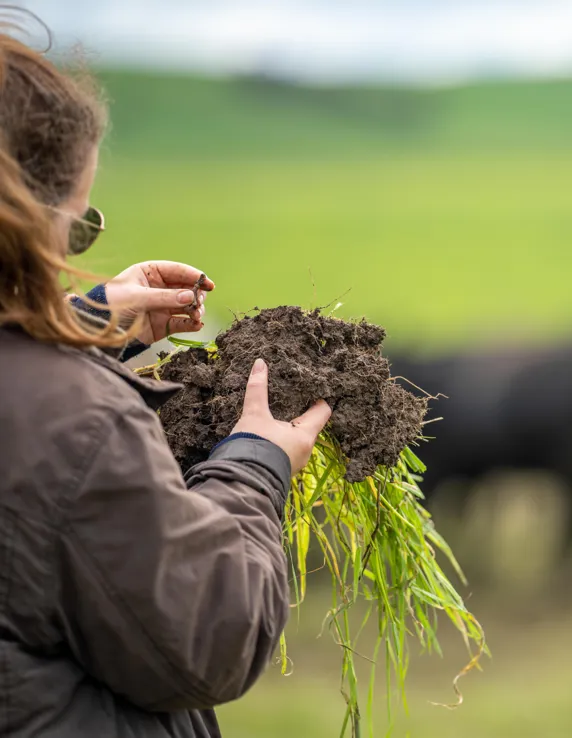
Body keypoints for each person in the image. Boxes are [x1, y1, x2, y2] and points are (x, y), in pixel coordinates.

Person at [0, 24, 331, 738]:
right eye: (74, 229)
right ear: (25, 221)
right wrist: (255, 466)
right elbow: (210, 635)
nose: (73, 251)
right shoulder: (81, 425)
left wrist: (81, 323)